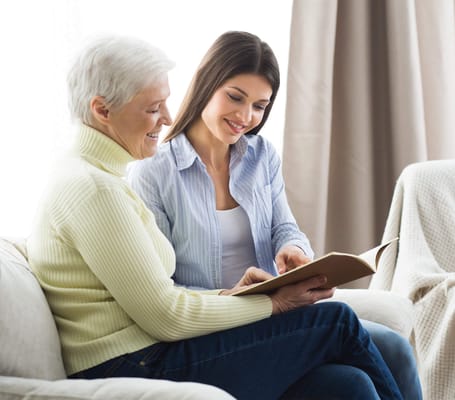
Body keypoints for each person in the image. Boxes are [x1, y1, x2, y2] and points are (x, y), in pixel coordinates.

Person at [26, 34, 403, 400]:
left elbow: (157, 297)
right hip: (135, 361)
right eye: (153, 108)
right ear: (102, 110)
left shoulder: (102, 176)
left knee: (348, 386)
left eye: (165, 104)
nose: (167, 118)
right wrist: (273, 303)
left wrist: (238, 291)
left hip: (150, 350)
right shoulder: (97, 188)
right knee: (337, 322)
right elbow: (166, 315)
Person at [128, 31, 422, 399]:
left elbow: (284, 226)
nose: (244, 116)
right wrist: (230, 298)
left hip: (272, 317)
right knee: (357, 340)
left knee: (365, 374)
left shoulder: (259, 155)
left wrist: (293, 250)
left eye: (259, 106)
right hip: (215, 329)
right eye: (235, 98)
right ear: (207, 84)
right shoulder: (154, 171)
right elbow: (157, 291)